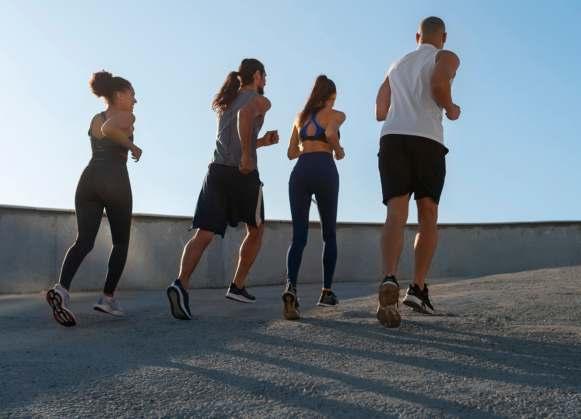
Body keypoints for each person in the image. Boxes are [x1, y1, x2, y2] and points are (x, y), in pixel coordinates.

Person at [167, 58, 278, 320]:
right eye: (265, 75)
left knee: (204, 234)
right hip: (242, 174)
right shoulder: (261, 100)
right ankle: (237, 285)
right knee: (256, 229)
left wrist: (260, 143)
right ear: (257, 75)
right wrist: (248, 156)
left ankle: (180, 284)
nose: (266, 80)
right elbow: (244, 117)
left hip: (216, 170)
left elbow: (235, 138)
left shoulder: (227, 100)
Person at [375, 16, 461, 327]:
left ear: (417, 37)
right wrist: (450, 108)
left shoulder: (396, 64)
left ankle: (389, 277)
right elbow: (439, 84)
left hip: (392, 138)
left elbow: (380, 109)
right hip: (427, 139)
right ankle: (418, 288)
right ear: (444, 37)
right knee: (428, 214)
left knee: (395, 213)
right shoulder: (446, 56)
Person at [46, 71, 142, 327]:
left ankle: (62, 290)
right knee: (120, 242)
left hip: (89, 180)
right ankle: (107, 298)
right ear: (119, 95)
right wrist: (132, 146)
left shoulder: (95, 117)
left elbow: (101, 129)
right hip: (115, 179)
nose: (135, 101)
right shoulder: (126, 116)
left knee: (84, 241)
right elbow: (108, 129)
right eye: (132, 95)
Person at [282, 75, 346, 321]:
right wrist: (338, 151)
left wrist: (306, 147)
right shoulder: (336, 115)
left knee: (298, 236)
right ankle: (326, 292)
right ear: (330, 97)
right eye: (333, 99)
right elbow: (330, 133)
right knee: (329, 234)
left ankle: (291, 287)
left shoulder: (300, 117)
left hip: (300, 172)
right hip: (324, 169)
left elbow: (290, 153)